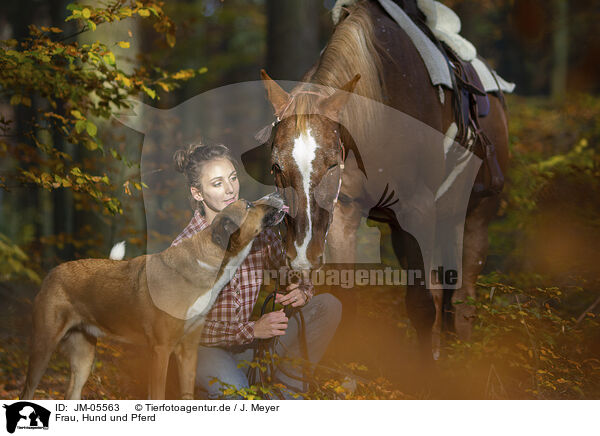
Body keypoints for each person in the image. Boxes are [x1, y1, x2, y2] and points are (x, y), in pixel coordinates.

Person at [172, 142, 342, 399]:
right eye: (217, 184)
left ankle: (289, 388)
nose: (230, 190)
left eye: (233, 178)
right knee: (239, 397)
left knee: (328, 307)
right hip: (203, 350)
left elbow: (289, 272)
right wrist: (252, 330)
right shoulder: (184, 249)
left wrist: (302, 290)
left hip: (249, 345)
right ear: (198, 193)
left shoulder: (255, 222)